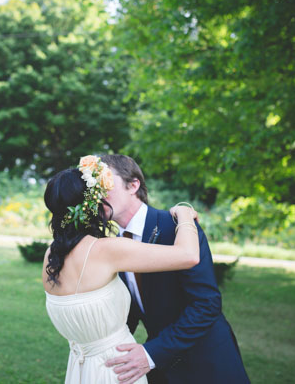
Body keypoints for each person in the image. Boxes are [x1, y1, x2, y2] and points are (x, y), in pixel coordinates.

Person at [43, 155, 201, 384]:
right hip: (116, 370)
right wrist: (185, 213)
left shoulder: (51, 256)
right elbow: (188, 255)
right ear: (92, 203)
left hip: (81, 368)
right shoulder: (107, 250)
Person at [101, 154, 250, 384]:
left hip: (208, 363)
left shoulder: (178, 227)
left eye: (104, 185)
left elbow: (206, 304)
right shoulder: (112, 245)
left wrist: (151, 354)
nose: (97, 196)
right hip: (163, 370)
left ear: (133, 185)